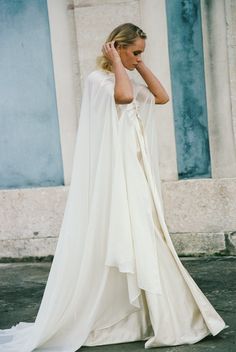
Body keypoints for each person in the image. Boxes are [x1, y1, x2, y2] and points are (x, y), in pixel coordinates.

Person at [0, 23, 228, 352]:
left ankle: (155, 315)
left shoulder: (127, 76)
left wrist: (138, 64)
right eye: (135, 51)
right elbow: (123, 98)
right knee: (133, 234)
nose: (138, 58)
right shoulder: (99, 80)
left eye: (141, 53)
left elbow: (162, 97)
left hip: (135, 172)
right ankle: (143, 314)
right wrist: (121, 65)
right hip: (115, 177)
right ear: (115, 48)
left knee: (147, 235)